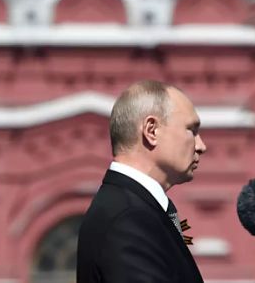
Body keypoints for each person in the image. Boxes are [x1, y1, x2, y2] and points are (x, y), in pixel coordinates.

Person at [77, 80, 207, 283]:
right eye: (192, 130)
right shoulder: (130, 217)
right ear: (151, 130)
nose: (201, 146)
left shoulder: (131, 208)